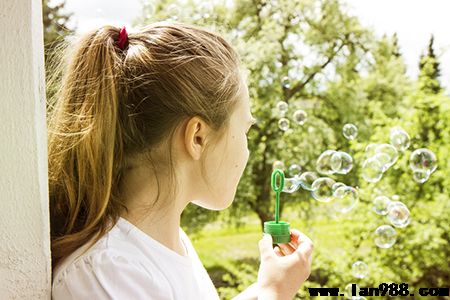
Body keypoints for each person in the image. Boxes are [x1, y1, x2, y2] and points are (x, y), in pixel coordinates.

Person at [48, 21, 313, 300]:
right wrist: (274, 294)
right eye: (245, 130)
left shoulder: (167, 242)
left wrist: (264, 289)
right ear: (197, 137)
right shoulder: (104, 274)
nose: (247, 150)